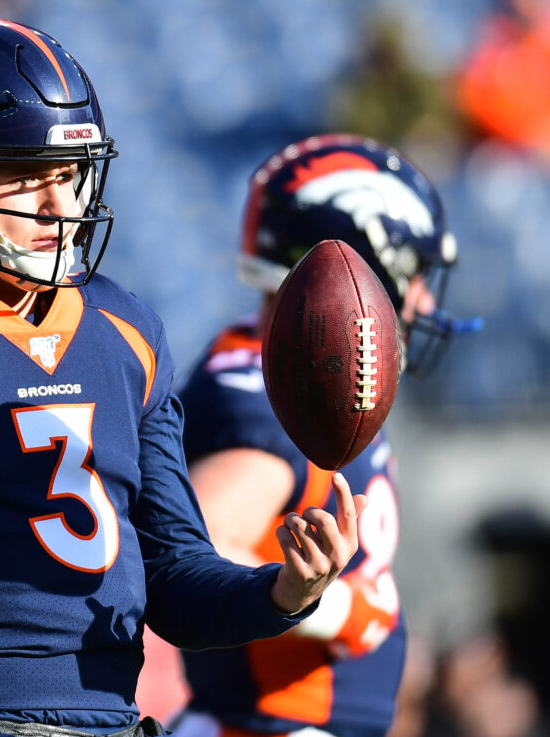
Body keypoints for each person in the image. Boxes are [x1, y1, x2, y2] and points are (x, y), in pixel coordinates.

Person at [0, 21, 364, 737]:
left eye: (70, 173)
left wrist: (284, 589)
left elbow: (173, 578)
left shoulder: (125, 329)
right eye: (24, 171)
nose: (58, 205)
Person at [169, 134, 476, 737]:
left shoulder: (291, 376)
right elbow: (199, 548)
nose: (419, 297)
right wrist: (336, 610)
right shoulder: (269, 396)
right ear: (356, 265)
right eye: (410, 272)